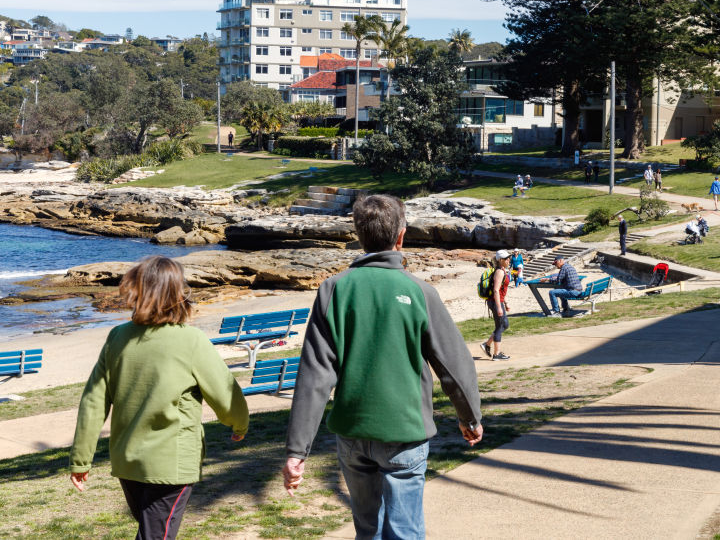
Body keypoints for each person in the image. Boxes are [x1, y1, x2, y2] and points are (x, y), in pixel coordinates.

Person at [283, 194, 483, 539]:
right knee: (404, 532)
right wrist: (470, 417)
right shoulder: (419, 291)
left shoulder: (333, 289)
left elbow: (315, 374)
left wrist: (297, 449)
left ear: (358, 234)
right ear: (401, 236)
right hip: (405, 433)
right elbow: (454, 365)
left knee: (367, 530)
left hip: (352, 433)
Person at [70, 256, 249, 540]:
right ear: (178, 294)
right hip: (171, 465)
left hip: (128, 462)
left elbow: (93, 401)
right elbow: (226, 395)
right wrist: (239, 425)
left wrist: (81, 459)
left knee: (152, 531)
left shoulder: (117, 337)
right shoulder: (190, 340)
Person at [481, 250, 513, 361]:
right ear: (500, 260)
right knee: (500, 326)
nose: (509, 260)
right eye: (506, 258)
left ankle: (487, 344)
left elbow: (502, 290)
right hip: (495, 302)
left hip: (497, 301)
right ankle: (496, 354)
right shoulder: (499, 272)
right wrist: (499, 307)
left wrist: (506, 303)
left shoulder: (502, 270)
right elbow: (495, 290)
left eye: (509, 258)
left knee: (505, 325)